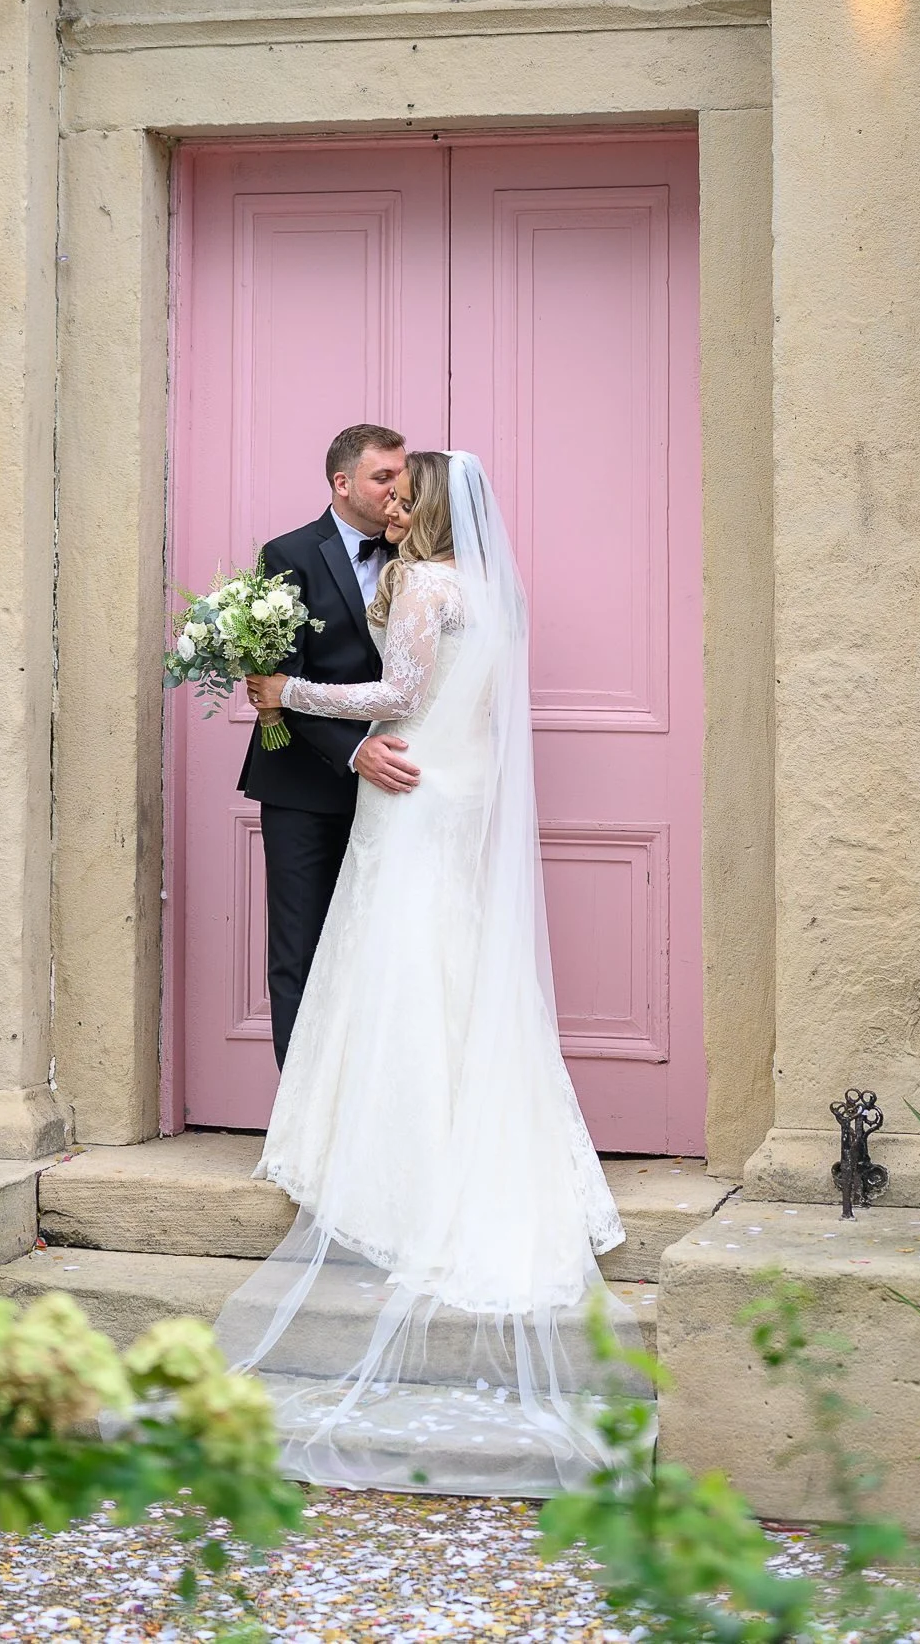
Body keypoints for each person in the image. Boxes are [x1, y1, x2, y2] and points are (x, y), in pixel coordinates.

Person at [219, 450, 639, 1498]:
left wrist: (282, 690)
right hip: (456, 784)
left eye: (410, 495)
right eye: (387, 490)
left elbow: (399, 691)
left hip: (409, 787)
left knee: (398, 961)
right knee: (446, 959)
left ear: (436, 506)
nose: (397, 507)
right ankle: (453, 1129)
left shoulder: (425, 585)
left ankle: (391, 1159)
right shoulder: (495, 592)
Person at [240, 423, 423, 1067]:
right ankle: (299, 1109)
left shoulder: (421, 555)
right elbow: (277, 679)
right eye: (382, 477)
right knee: (300, 948)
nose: (397, 490)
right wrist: (352, 751)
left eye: (401, 476)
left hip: (400, 788)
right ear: (342, 483)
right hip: (304, 786)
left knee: (383, 949)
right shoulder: (287, 554)